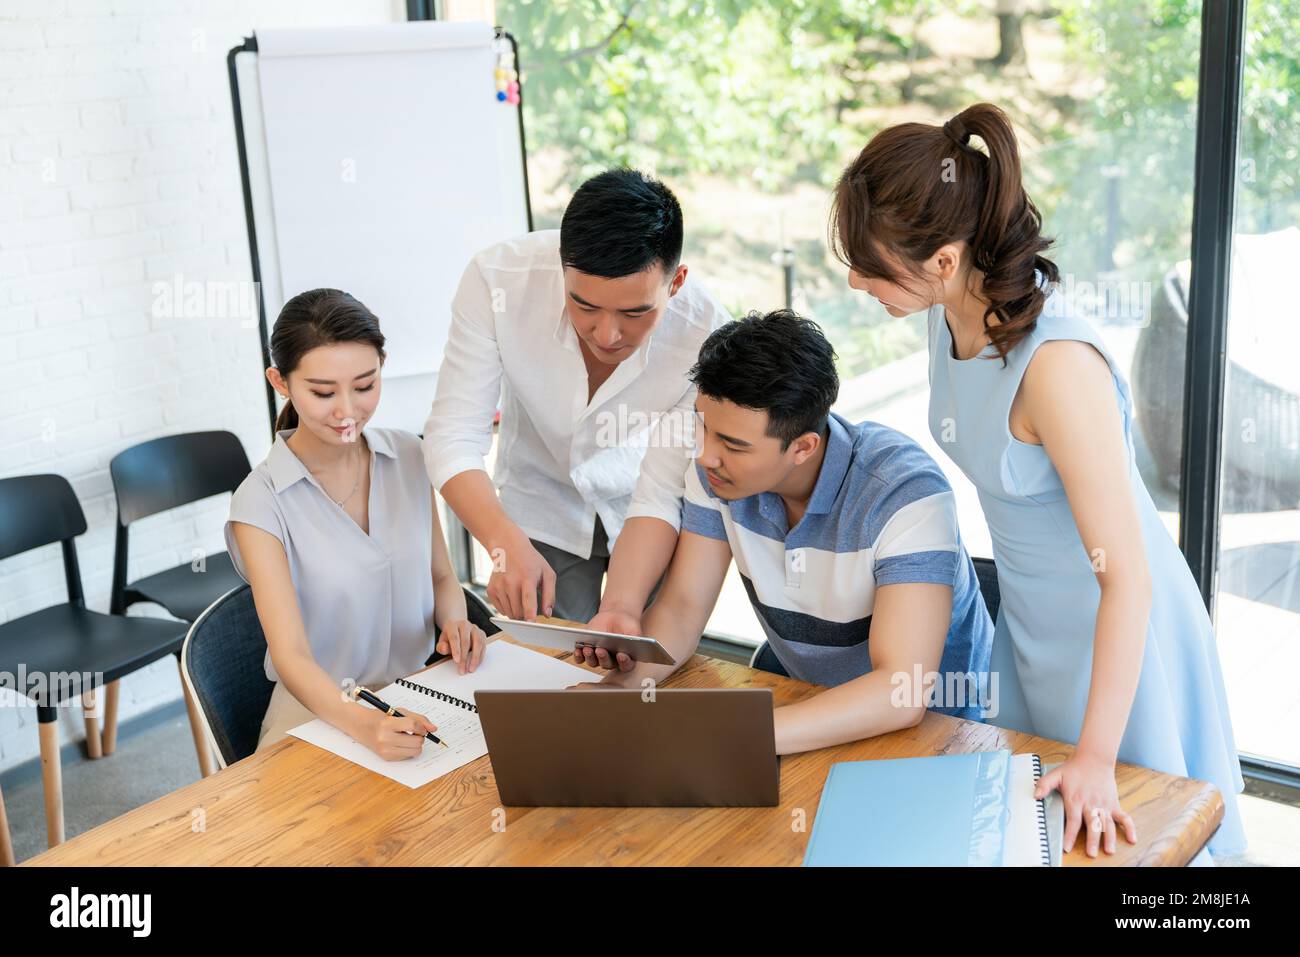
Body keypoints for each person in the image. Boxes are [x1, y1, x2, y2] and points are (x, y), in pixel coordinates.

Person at [829, 101, 1245, 861]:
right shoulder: (944, 316)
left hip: (1117, 632)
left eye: (871, 265)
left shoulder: (1055, 367)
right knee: (1025, 837)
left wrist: (1095, 755)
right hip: (1029, 625)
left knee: (1143, 846)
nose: (857, 281)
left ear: (945, 261)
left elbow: (1127, 580)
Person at [581, 310, 995, 754]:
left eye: (734, 445)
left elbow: (902, 692)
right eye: (703, 427)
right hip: (811, 708)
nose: (706, 456)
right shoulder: (721, 475)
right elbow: (682, 610)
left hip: (942, 731)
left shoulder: (904, 494)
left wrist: (737, 734)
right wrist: (615, 696)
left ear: (803, 447)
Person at [423, 168, 731, 623]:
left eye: (634, 312)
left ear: (676, 282)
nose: (606, 334)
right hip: (540, 502)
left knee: (642, 664)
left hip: (650, 511)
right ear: (561, 266)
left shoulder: (708, 336)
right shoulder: (497, 280)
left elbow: (662, 491)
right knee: (549, 667)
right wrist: (503, 543)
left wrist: (624, 607)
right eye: (584, 306)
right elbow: (452, 437)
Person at [226, 288, 486, 756]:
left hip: (421, 696)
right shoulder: (260, 503)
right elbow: (291, 657)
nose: (348, 411)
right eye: (323, 392)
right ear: (280, 382)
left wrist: (456, 622)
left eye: (365, 386)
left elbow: (443, 575)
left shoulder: (408, 454)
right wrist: (364, 725)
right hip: (320, 713)